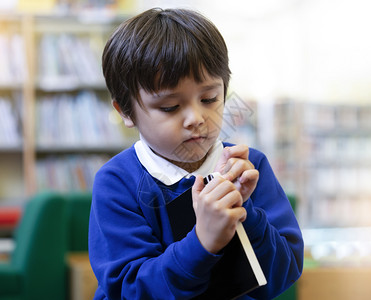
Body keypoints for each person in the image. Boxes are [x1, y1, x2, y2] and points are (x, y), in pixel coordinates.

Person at [89, 7, 303, 300]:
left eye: (209, 98)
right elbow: (129, 290)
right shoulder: (118, 182)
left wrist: (245, 213)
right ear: (126, 111)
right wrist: (202, 242)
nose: (196, 118)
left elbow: (284, 274)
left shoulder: (250, 167)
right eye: (170, 107)